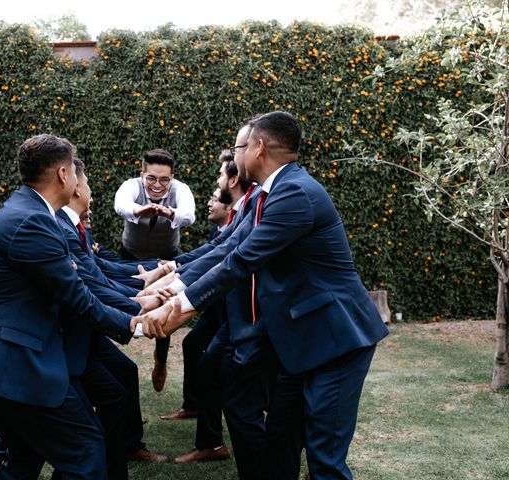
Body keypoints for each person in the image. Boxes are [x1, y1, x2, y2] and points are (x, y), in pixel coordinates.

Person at [143, 111, 390, 480]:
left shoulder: (295, 193)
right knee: (279, 440)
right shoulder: (271, 194)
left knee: (324, 460)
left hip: (335, 341)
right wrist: (170, 290)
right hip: (299, 344)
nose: (234, 156)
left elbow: (242, 260)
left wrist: (182, 308)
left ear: (258, 148)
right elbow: (227, 250)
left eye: (238, 147)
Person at [0, 134, 146, 480]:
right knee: (86, 452)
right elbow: (77, 297)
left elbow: (72, 282)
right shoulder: (32, 221)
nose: (77, 181)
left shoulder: (31, 211)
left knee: (28, 453)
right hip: (5, 360)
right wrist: (138, 324)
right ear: (63, 174)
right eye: (75, 173)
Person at [114, 148, 196, 392]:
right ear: (142, 175)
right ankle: (116, 360)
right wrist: (138, 210)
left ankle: (160, 361)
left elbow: (189, 214)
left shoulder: (180, 190)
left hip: (164, 260)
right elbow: (120, 204)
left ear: (171, 178)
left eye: (164, 179)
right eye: (151, 178)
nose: (157, 185)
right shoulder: (132, 186)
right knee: (119, 303)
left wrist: (170, 213)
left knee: (164, 309)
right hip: (130, 256)